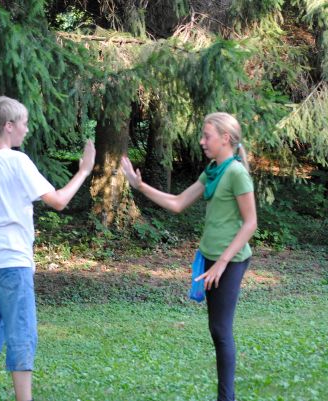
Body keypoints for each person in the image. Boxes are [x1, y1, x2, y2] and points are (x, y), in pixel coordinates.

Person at [0, 96, 96, 401]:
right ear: (8, 126)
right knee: (21, 333)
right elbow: (59, 201)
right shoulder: (17, 161)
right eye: (23, 123)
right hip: (14, 262)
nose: (27, 129)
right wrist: (84, 171)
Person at [121, 112, 257, 401]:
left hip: (230, 261)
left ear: (226, 139)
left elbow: (250, 223)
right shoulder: (212, 170)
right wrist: (140, 186)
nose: (202, 141)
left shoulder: (236, 173)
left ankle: (226, 398)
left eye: (207, 136)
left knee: (221, 330)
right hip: (210, 258)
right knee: (215, 328)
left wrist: (221, 264)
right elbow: (178, 202)